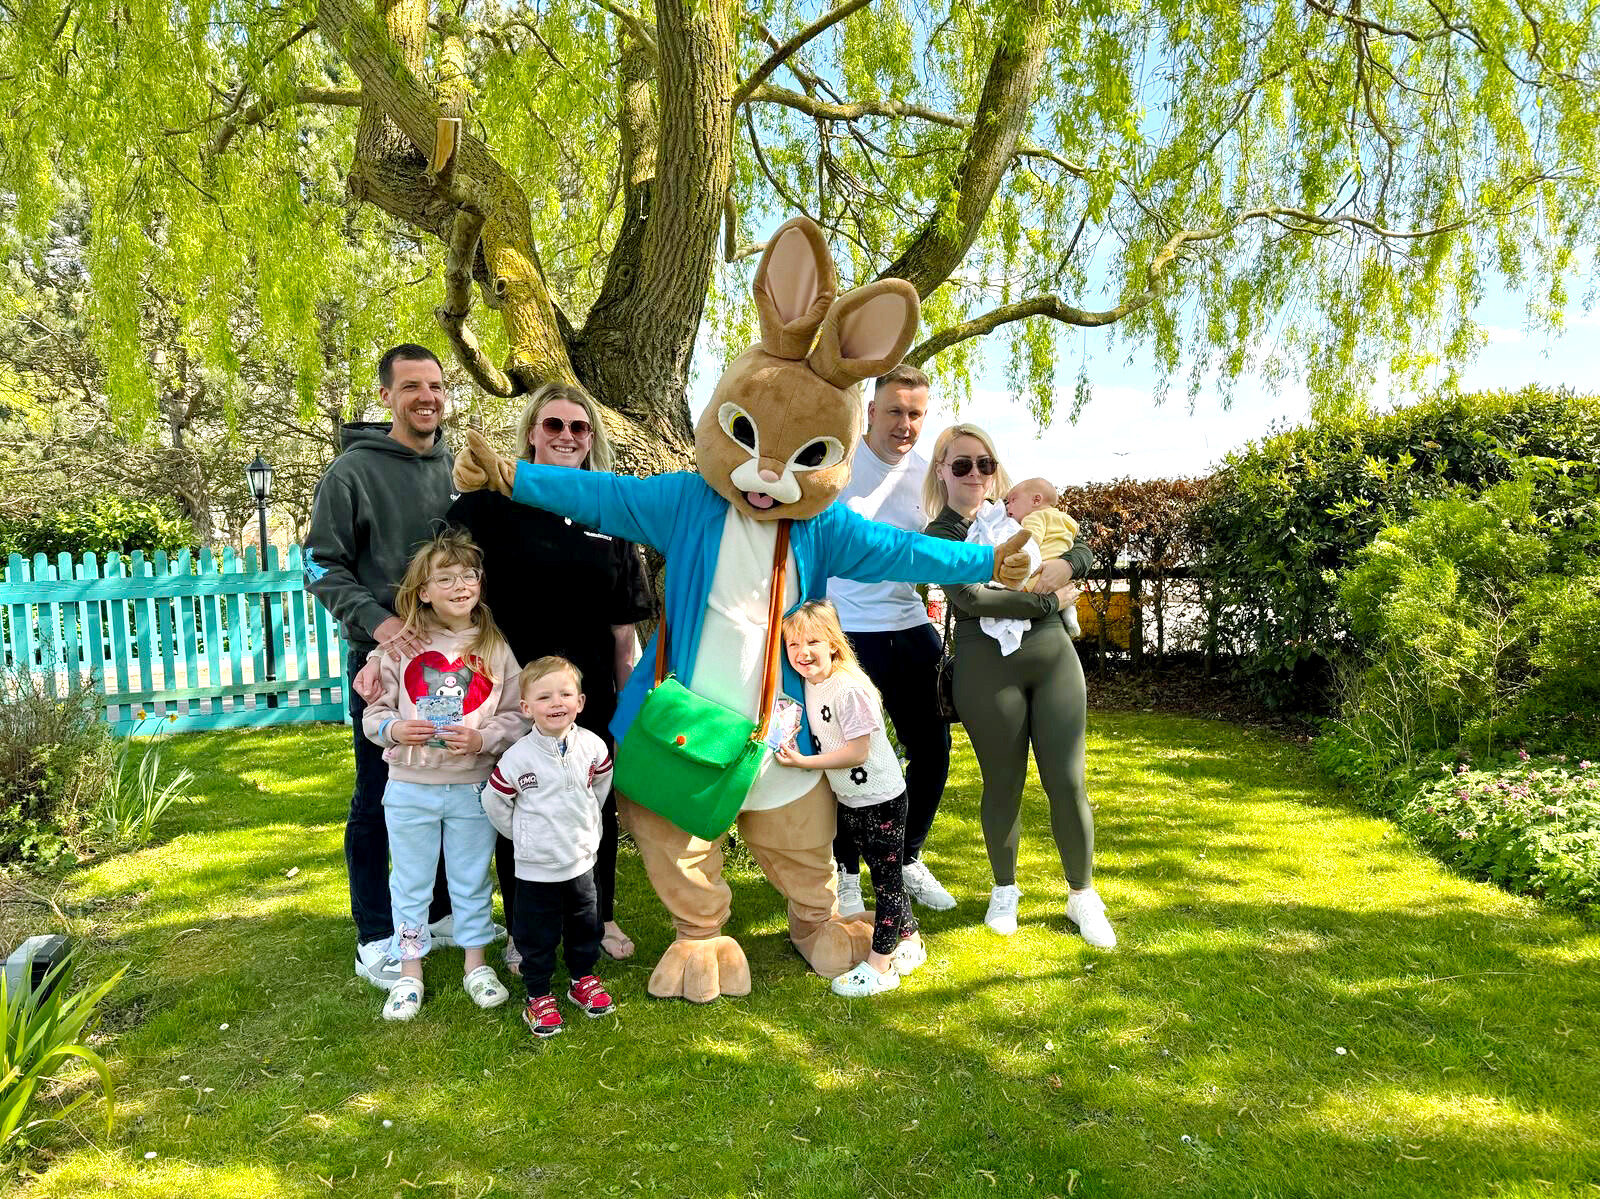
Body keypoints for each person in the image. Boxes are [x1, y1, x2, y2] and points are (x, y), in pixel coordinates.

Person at [446, 382, 653, 968]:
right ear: (532, 433)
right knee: (521, 802)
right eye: (554, 425)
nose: (566, 435)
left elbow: (622, 629)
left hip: (587, 691)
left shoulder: (609, 512)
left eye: (578, 428)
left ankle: (601, 915)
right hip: (509, 692)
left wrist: (624, 708)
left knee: (592, 801)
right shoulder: (486, 505)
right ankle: (522, 928)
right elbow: (446, 586)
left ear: (591, 441)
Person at [304, 343, 463, 990]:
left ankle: (445, 914)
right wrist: (383, 626)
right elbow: (320, 565)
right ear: (386, 396)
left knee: (454, 789)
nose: (426, 396)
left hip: (456, 665)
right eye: (411, 386)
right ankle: (374, 934)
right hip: (385, 668)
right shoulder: (351, 472)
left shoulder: (457, 466)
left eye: (435, 384)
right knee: (379, 797)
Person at [922, 424, 1118, 948]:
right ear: (942, 470)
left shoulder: (1025, 517)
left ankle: (1082, 895)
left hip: (1052, 657)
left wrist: (1070, 563)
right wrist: (1052, 600)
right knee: (1003, 784)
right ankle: (1005, 889)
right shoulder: (940, 534)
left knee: (1068, 781)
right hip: (987, 667)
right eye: (961, 464)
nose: (975, 474)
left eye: (984, 464)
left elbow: (1081, 549)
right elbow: (972, 600)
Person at [358, 531, 528, 1020]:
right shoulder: (402, 645)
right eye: (446, 578)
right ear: (424, 591)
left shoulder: (495, 646)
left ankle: (476, 965)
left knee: (472, 880)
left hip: (475, 788)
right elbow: (374, 715)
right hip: (409, 789)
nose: (460, 586)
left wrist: (483, 739)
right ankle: (409, 972)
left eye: (469, 576)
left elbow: (517, 713)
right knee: (410, 883)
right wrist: (392, 728)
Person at [824, 365, 957, 916]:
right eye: (896, 411)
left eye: (916, 414)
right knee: (849, 758)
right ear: (872, 412)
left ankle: (907, 857)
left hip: (909, 625)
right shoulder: (836, 467)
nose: (906, 424)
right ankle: (846, 872)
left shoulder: (931, 477)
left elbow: (979, 533)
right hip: (847, 633)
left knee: (934, 748)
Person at [775, 602, 928, 998]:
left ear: (834, 645)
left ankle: (881, 967)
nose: (802, 652)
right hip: (853, 798)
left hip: (880, 799)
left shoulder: (851, 688)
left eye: (812, 641)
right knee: (884, 873)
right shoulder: (810, 681)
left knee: (886, 883)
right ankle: (911, 940)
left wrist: (806, 763)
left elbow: (858, 751)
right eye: (792, 644)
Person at [483, 656, 618, 1038]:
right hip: (535, 868)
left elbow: (601, 784)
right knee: (535, 934)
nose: (556, 703)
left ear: (581, 701)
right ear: (526, 708)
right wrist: (522, 834)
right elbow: (494, 802)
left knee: (585, 926)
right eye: (544, 697)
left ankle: (582, 980)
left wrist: (588, 821)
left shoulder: (592, 746)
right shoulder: (517, 758)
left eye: (565, 694)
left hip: (580, 863)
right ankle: (538, 995)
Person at [1004, 477, 1082, 637]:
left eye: (1012, 500)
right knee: (1065, 593)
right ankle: (1070, 614)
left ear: (1036, 500)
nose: (1007, 506)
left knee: (1016, 587)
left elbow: (1031, 540)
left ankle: (1022, 619)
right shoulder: (1067, 519)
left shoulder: (1034, 517)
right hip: (1061, 575)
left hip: (1039, 569)